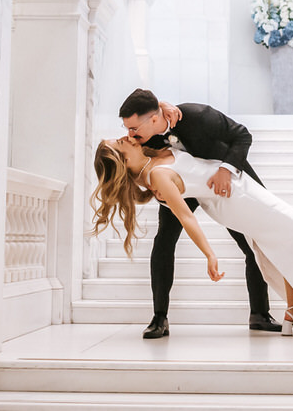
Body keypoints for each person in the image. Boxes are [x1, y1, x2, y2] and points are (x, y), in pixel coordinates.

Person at [93, 134, 293, 336]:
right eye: (118, 143)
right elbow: (186, 216)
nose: (124, 136)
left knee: (283, 244)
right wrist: (209, 254)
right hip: (238, 200)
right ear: (123, 160)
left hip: (238, 189)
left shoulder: (154, 158)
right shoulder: (158, 176)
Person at [116, 88, 280, 338]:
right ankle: (159, 318)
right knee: (164, 241)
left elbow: (243, 135)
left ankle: (260, 313)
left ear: (153, 119)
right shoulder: (142, 137)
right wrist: (152, 187)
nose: (129, 134)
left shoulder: (197, 115)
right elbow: (135, 165)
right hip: (181, 185)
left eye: (133, 128)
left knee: (252, 243)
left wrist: (227, 169)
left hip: (222, 182)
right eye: (127, 129)